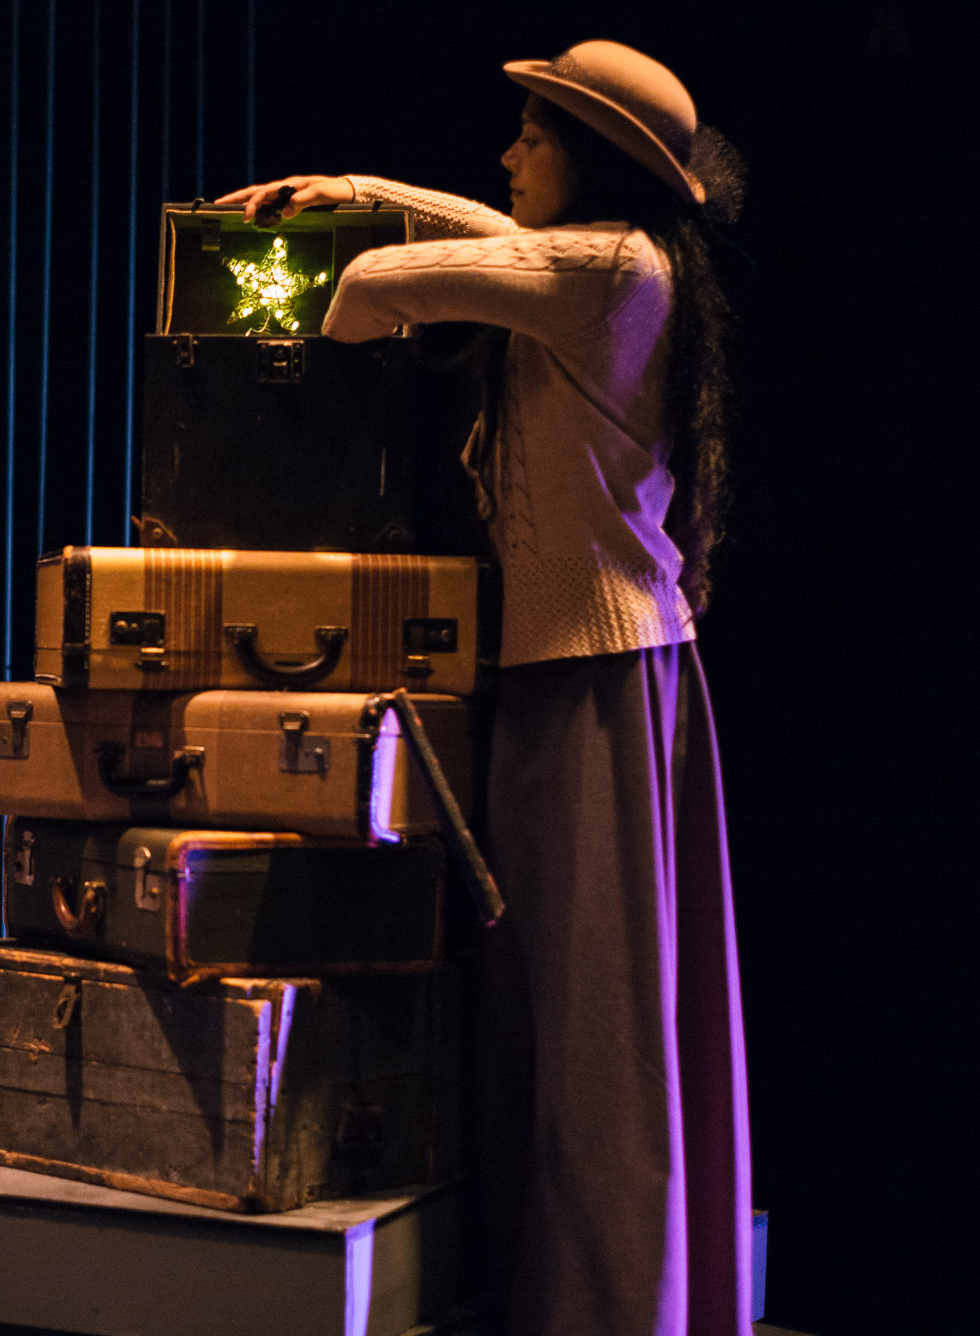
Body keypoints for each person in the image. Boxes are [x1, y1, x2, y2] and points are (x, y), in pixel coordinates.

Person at [218, 40, 751, 1336]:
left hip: (600, 683)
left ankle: (610, 1307)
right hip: (582, 675)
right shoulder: (610, 263)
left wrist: (335, 283)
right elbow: (487, 237)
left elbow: (380, 286)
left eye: (534, 136)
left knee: (597, 1025)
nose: (509, 154)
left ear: (595, 163)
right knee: (559, 1011)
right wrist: (346, 186)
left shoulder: (610, 271)